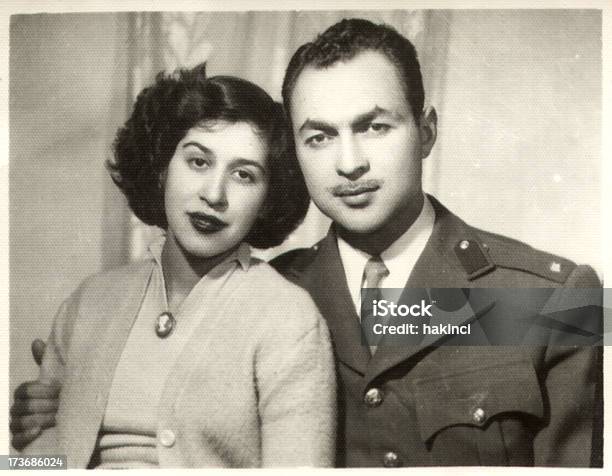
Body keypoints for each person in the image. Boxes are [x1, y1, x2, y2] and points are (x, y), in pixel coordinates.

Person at [12, 18, 602, 468]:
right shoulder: (272, 290)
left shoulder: (549, 297)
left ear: (426, 131)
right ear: (293, 156)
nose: (349, 164)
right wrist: (54, 418)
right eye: (319, 137)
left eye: (374, 126)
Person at [10, 63, 336, 468]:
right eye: (198, 162)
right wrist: (26, 443)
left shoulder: (288, 318)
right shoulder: (89, 302)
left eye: (244, 175)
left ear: (268, 199)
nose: (214, 194)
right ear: (163, 166)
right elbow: (30, 463)